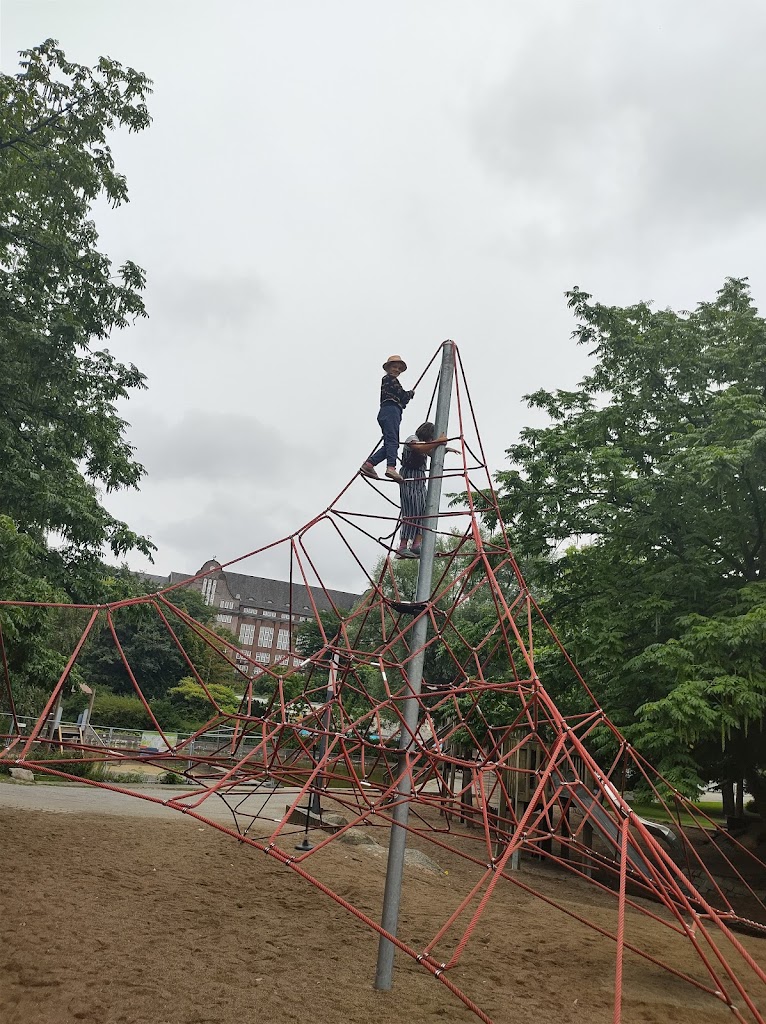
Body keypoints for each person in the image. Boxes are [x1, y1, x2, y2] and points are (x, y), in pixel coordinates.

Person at [395, 422, 454, 559]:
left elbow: (431, 452)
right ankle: (403, 546)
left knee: (423, 510)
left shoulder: (426, 444)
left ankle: (416, 545)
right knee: (412, 511)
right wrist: (438, 442)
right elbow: (420, 449)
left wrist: (443, 449)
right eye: (430, 438)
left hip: (420, 478)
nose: (430, 441)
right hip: (409, 476)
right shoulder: (412, 439)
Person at [360, 355, 414, 484]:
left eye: (399, 368)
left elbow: (403, 400)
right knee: (392, 442)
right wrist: (409, 394)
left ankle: (369, 464)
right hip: (390, 410)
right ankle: (391, 467)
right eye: (394, 367)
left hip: (391, 411)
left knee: (390, 443)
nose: (397, 370)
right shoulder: (389, 379)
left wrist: (407, 396)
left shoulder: (392, 381)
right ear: (388, 368)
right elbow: (402, 395)